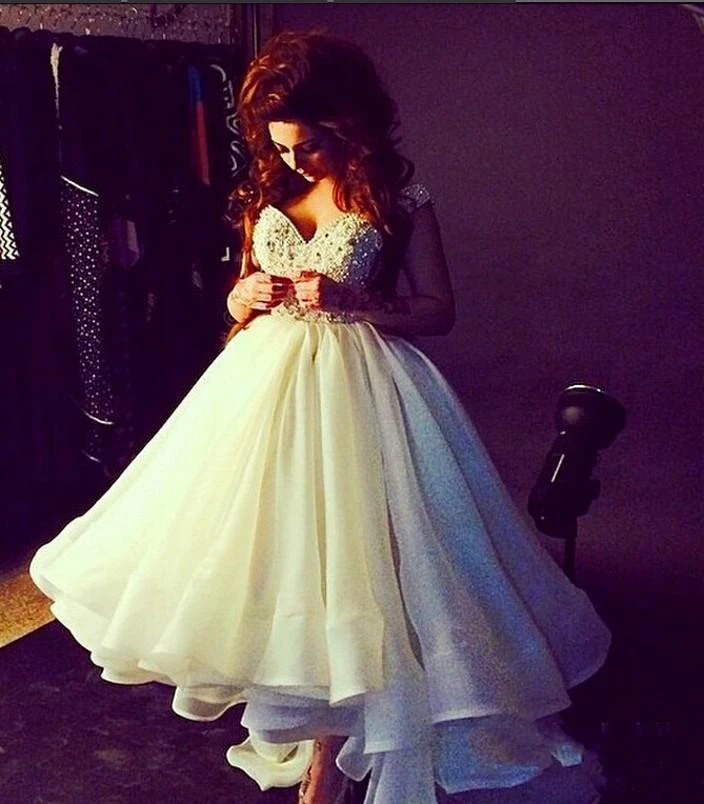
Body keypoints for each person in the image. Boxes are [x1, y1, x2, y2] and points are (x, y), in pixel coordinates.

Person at [30, 30, 612, 804]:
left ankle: (326, 773)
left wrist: (352, 299)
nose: (295, 159)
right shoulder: (266, 192)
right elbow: (241, 297)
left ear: (348, 123)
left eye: (308, 144)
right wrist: (241, 297)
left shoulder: (398, 199)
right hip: (261, 396)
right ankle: (314, 745)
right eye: (281, 145)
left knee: (359, 570)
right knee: (277, 564)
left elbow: (438, 311)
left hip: (361, 395)